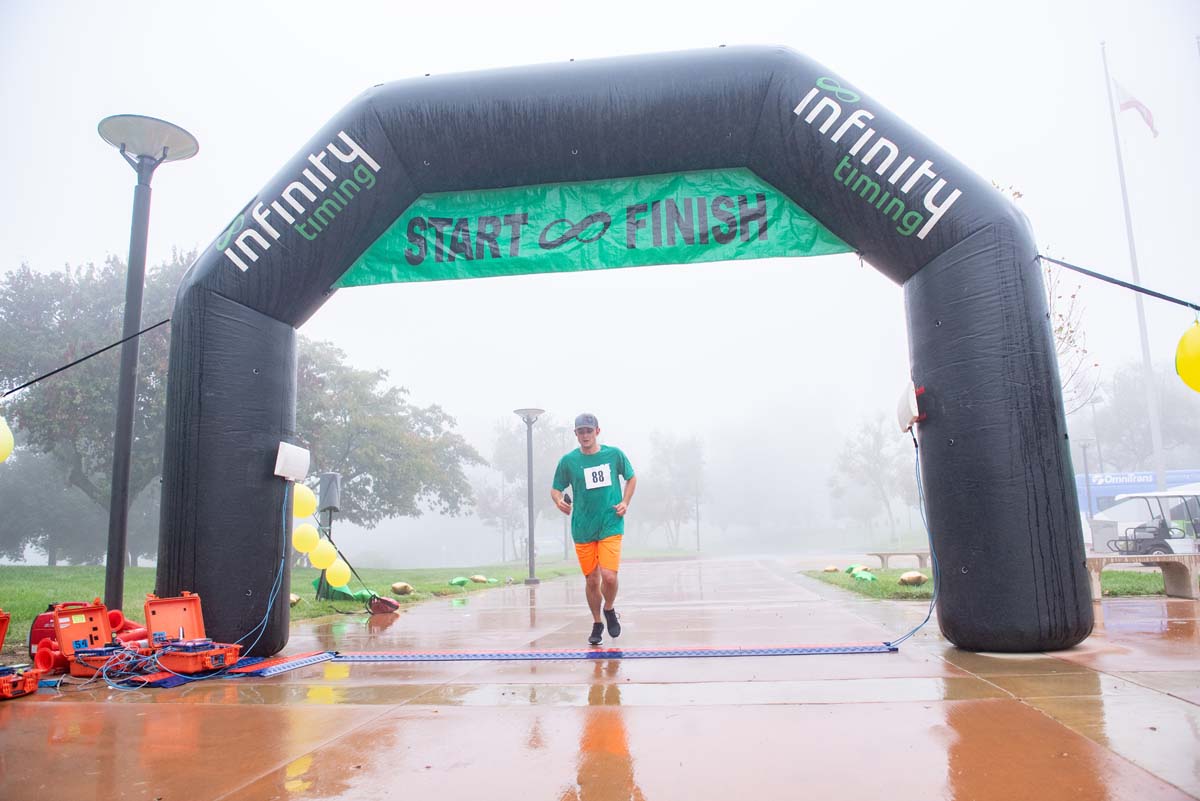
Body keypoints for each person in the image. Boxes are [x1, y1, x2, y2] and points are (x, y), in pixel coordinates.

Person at [551, 413, 637, 645]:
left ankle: (609, 608)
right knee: (591, 580)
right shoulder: (568, 461)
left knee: (608, 576)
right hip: (583, 527)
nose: (586, 435)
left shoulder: (614, 455)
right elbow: (556, 488)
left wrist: (625, 502)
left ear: (597, 431)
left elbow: (631, 478)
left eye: (589, 430)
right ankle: (598, 622)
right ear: (576, 434)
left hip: (610, 523)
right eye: (581, 431)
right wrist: (559, 501)